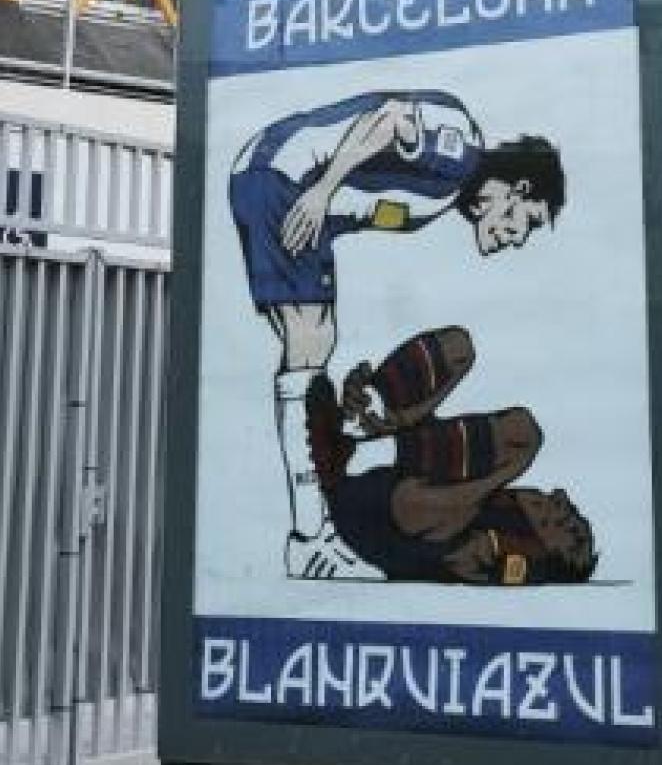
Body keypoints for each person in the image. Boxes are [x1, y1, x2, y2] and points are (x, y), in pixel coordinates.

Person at [227, 88, 565, 574]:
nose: (516, 236)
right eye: (525, 221)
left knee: (313, 340)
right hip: (286, 178)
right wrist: (322, 190)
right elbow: (388, 120)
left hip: (287, 188)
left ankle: (320, 512)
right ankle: (308, 538)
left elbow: (366, 199)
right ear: (516, 189)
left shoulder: (445, 196)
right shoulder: (461, 151)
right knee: (310, 340)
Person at [305, 325, 597, 586]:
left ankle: (357, 454)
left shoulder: (525, 554)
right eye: (574, 515)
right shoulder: (517, 506)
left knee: (469, 494)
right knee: (459, 348)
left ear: (557, 548)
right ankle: (371, 417)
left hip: (379, 522)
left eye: (573, 532)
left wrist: (491, 537)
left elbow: (469, 565)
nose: (562, 500)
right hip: (402, 471)